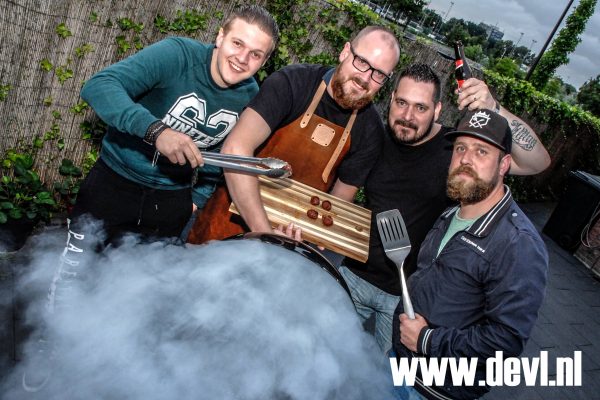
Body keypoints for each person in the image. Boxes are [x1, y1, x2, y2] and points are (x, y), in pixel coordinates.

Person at [21, 6, 279, 392]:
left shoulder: (250, 96)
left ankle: (103, 357)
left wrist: (197, 198)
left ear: (264, 61)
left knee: (135, 288)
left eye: (256, 54)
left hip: (169, 203)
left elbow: (223, 157)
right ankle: (49, 344)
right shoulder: (176, 55)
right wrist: (156, 131)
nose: (242, 58)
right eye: (237, 43)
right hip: (114, 185)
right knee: (76, 274)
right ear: (220, 36)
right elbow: (99, 86)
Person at [339, 63, 551, 353]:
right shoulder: (375, 136)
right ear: (391, 99)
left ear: (437, 110)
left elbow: (537, 162)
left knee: (383, 373)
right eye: (401, 103)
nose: (408, 116)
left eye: (421, 108)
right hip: (354, 275)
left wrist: (494, 108)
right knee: (326, 354)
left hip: (405, 300)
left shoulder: (457, 151)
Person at [186, 25, 400, 243]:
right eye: (361, 62)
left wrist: (314, 238)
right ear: (345, 52)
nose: (365, 78)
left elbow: (338, 202)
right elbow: (235, 148)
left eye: (379, 74)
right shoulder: (292, 82)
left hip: (294, 237)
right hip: (227, 225)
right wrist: (266, 233)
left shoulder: (371, 129)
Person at [390, 109, 548, 400]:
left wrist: (426, 340)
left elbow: (505, 341)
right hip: (399, 363)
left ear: (504, 165)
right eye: (460, 148)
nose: (465, 159)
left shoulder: (518, 243)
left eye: (481, 151)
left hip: (431, 390)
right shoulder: (451, 214)